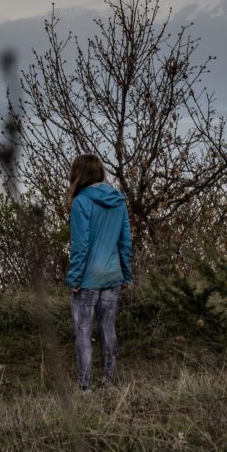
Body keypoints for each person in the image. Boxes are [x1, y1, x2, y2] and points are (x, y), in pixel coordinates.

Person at [65, 153, 133, 391]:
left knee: (83, 330)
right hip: (113, 275)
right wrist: (126, 273)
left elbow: (81, 245)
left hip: (88, 278)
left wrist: (74, 277)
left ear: (78, 173)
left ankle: (85, 386)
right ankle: (109, 379)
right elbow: (125, 241)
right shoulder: (118, 200)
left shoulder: (81, 202)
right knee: (108, 328)